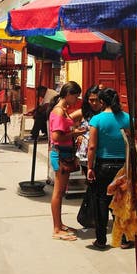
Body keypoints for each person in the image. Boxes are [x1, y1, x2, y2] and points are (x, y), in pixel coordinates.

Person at [86, 87, 130, 250]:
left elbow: (92, 147)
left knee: (102, 202)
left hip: (103, 165)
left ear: (102, 102)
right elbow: (131, 143)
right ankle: (125, 238)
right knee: (121, 201)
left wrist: (90, 167)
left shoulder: (97, 120)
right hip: (123, 166)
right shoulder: (127, 118)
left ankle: (101, 239)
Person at [49, 81, 82, 241]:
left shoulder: (63, 110)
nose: (76, 99)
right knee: (58, 191)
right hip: (60, 154)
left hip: (64, 153)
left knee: (61, 191)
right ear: (69, 94)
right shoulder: (59, 112)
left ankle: (59, 224)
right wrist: (74, 134)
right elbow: (56, 136)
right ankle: (56, 228)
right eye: (76, 96)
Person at [72, 85, 101, 175]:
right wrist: (76, 132)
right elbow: (67, 121)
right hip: (85, 154)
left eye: (97, 100)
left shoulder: (105, 112)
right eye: (91, 100)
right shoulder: (83, 113)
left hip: (101, 152)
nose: (95, 103)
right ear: (87, 100)